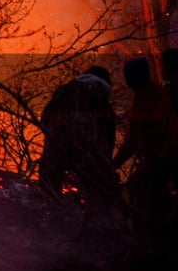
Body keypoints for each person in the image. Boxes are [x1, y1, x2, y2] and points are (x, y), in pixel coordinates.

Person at [38, 66, 117, 205]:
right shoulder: (102, 101)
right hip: (86, 153)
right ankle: (95, 215)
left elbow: (44, 120)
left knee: (49, 184)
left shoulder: (63, 92)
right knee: (99, 191)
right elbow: (107, 136)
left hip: (57, 148)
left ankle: (49, 211)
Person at [113, 57, 178, 226]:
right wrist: (125, 116)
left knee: (147, 200)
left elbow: (130, 144)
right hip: (166, 156)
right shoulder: (160, 92)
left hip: (163, 160)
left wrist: (111, 166)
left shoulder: (143, 109)